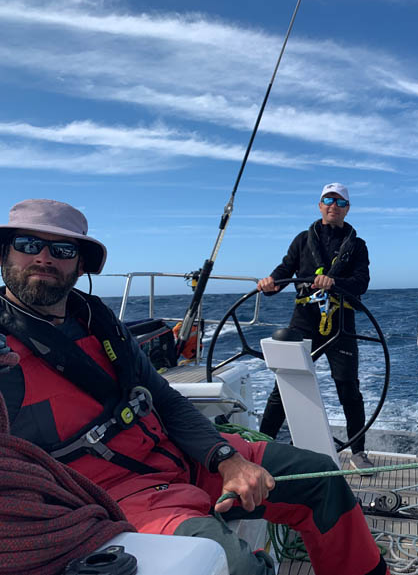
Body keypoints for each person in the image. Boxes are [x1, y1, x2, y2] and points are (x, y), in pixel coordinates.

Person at [0, 199, 388, 575]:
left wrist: (225, 457)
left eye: (62, 248)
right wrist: (272, 281)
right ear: (5, 253)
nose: (43, 258)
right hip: (113, 495)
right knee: (237, 567)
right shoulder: (5, 355)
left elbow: (165, 398)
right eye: (27, 245)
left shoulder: (101, 323)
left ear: (80, 263)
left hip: (179, 452)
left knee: (320, 475)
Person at [257, 182, 374, 472]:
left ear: (347, 209)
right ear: (319, 205)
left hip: (341, 322)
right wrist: (270, 283)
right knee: (283, 384)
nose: (333, 206)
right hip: (304, 319)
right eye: (328, 200)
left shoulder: (357, 246)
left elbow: (362, 283)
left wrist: (334, 282)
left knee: (349, 389)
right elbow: (285, 271)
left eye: (340, 202)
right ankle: (260, 445)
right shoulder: (301, 240)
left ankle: (357, 452)